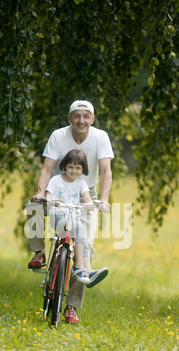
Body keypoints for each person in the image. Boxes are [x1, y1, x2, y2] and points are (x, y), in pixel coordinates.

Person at [27, 99, 114, 324]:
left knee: (85, 245)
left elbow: (106, 172)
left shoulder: (100, 137)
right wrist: (40, 193)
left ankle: (72, 306)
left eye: (86, 116)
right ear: (70, 119)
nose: (81, 120)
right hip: (56, 190)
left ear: (92, 119)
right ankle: (39, 252)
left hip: (86, 194)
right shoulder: (58, 136)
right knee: (34, 206)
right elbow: (47, 168)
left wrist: (103, 200)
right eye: (77, 116)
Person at [45, 149, 103, 285]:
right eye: (71, 167)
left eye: (78, 168)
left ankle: (88, 271)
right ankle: (78, 267)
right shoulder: (56, 180)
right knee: (80, 230)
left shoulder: (81, 182)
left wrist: (89, 203)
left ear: (83, 169)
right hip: (58, 215)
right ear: (65, 166)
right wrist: (51, 200)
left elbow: (87, 197)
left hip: (73, 217)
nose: (74, 171)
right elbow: (48, 194)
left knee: (83, 242)